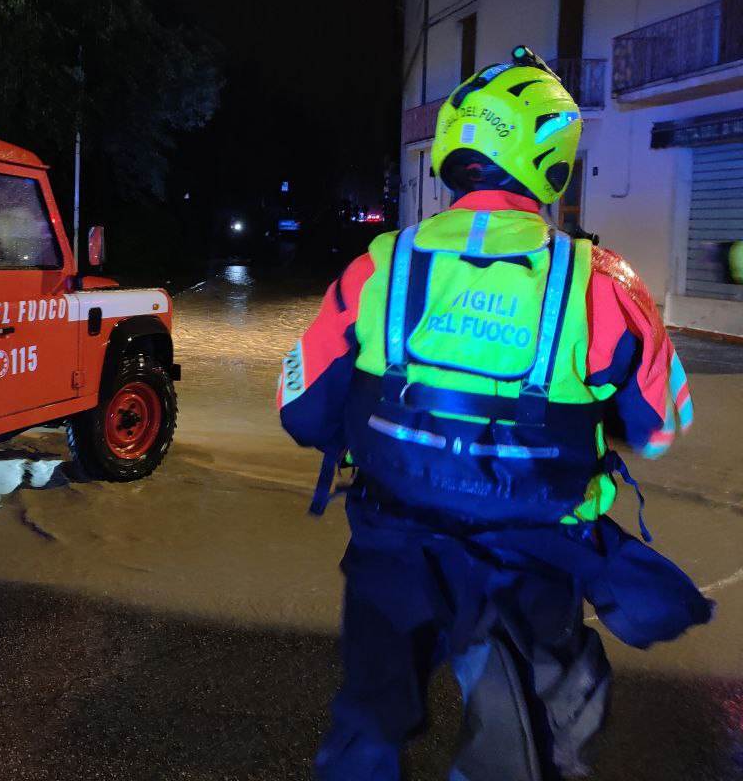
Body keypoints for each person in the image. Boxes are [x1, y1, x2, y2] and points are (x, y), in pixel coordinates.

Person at [277, 46, 713, 781]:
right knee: (527, 742)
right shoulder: (600, 284)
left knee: (368, 728)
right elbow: (659, 427)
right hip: (532, 561)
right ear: (552, 153)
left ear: (456, 144)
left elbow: (301, 412)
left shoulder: (379, 265)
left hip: (393, 547)